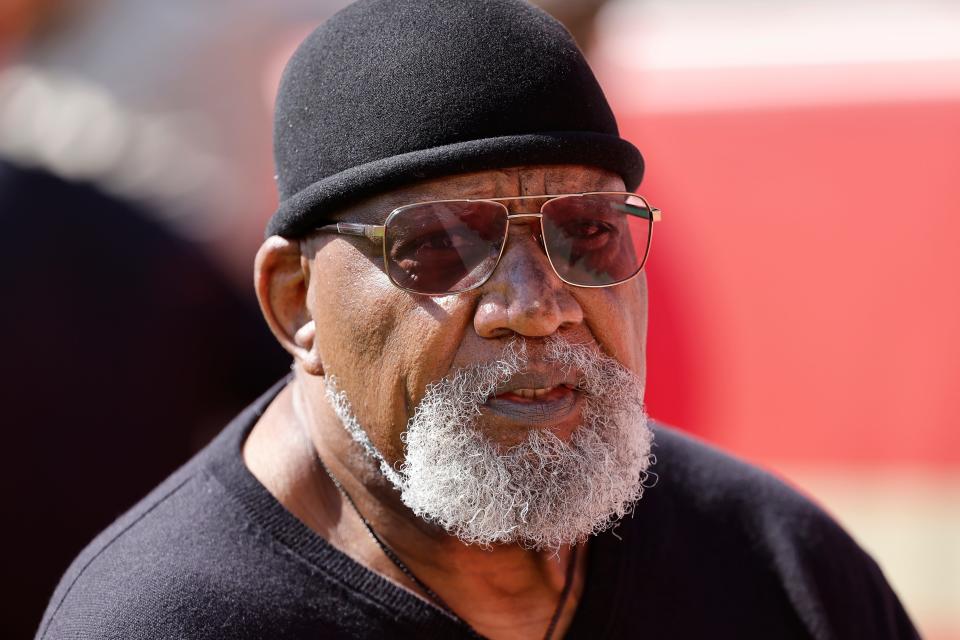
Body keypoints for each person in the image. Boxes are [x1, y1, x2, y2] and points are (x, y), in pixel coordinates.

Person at [36, 1, 919, 638]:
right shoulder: (163, 621)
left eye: (586, 235)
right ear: (296, 303)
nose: (535, 308)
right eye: (442, 248)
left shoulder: (782, 574)